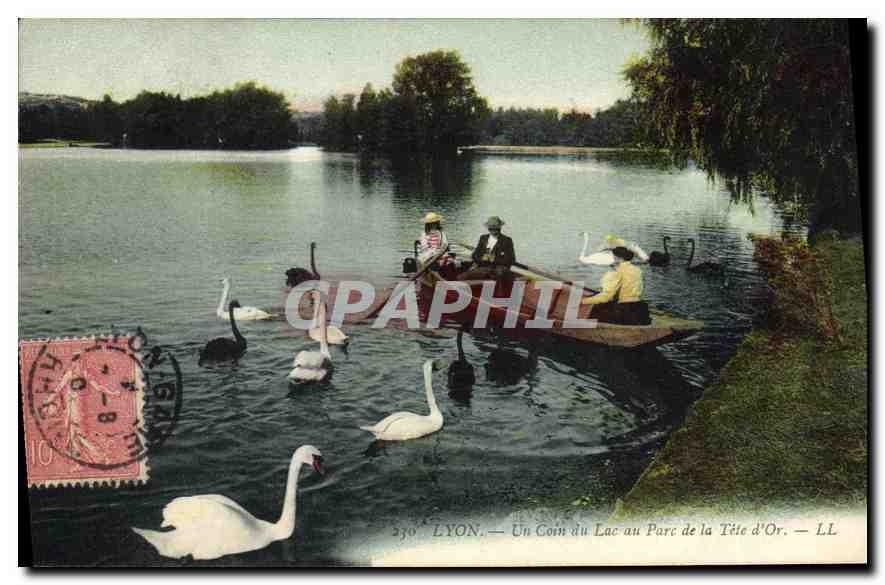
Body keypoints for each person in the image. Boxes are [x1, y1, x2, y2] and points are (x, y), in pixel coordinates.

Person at [581, 247, 651, 325]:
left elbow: (606, 297)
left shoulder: (616, 272)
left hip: (624, 311)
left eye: (612, 257)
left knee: (594, 308)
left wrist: (583, 301)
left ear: (619, 258)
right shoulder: (638, 270)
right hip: (639, 308)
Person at [458, 216, 516, 281]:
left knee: (464, 276)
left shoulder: (507, 240)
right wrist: (482, 259)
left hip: (496, 270)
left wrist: (493, 259)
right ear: (488, 228)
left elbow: (511, 260)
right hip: (482, 267)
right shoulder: (483, 238)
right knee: (460, 272)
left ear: (500, 228)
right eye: (491, 228)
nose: (493, 230)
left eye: (496, 228)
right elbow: (474, 255)